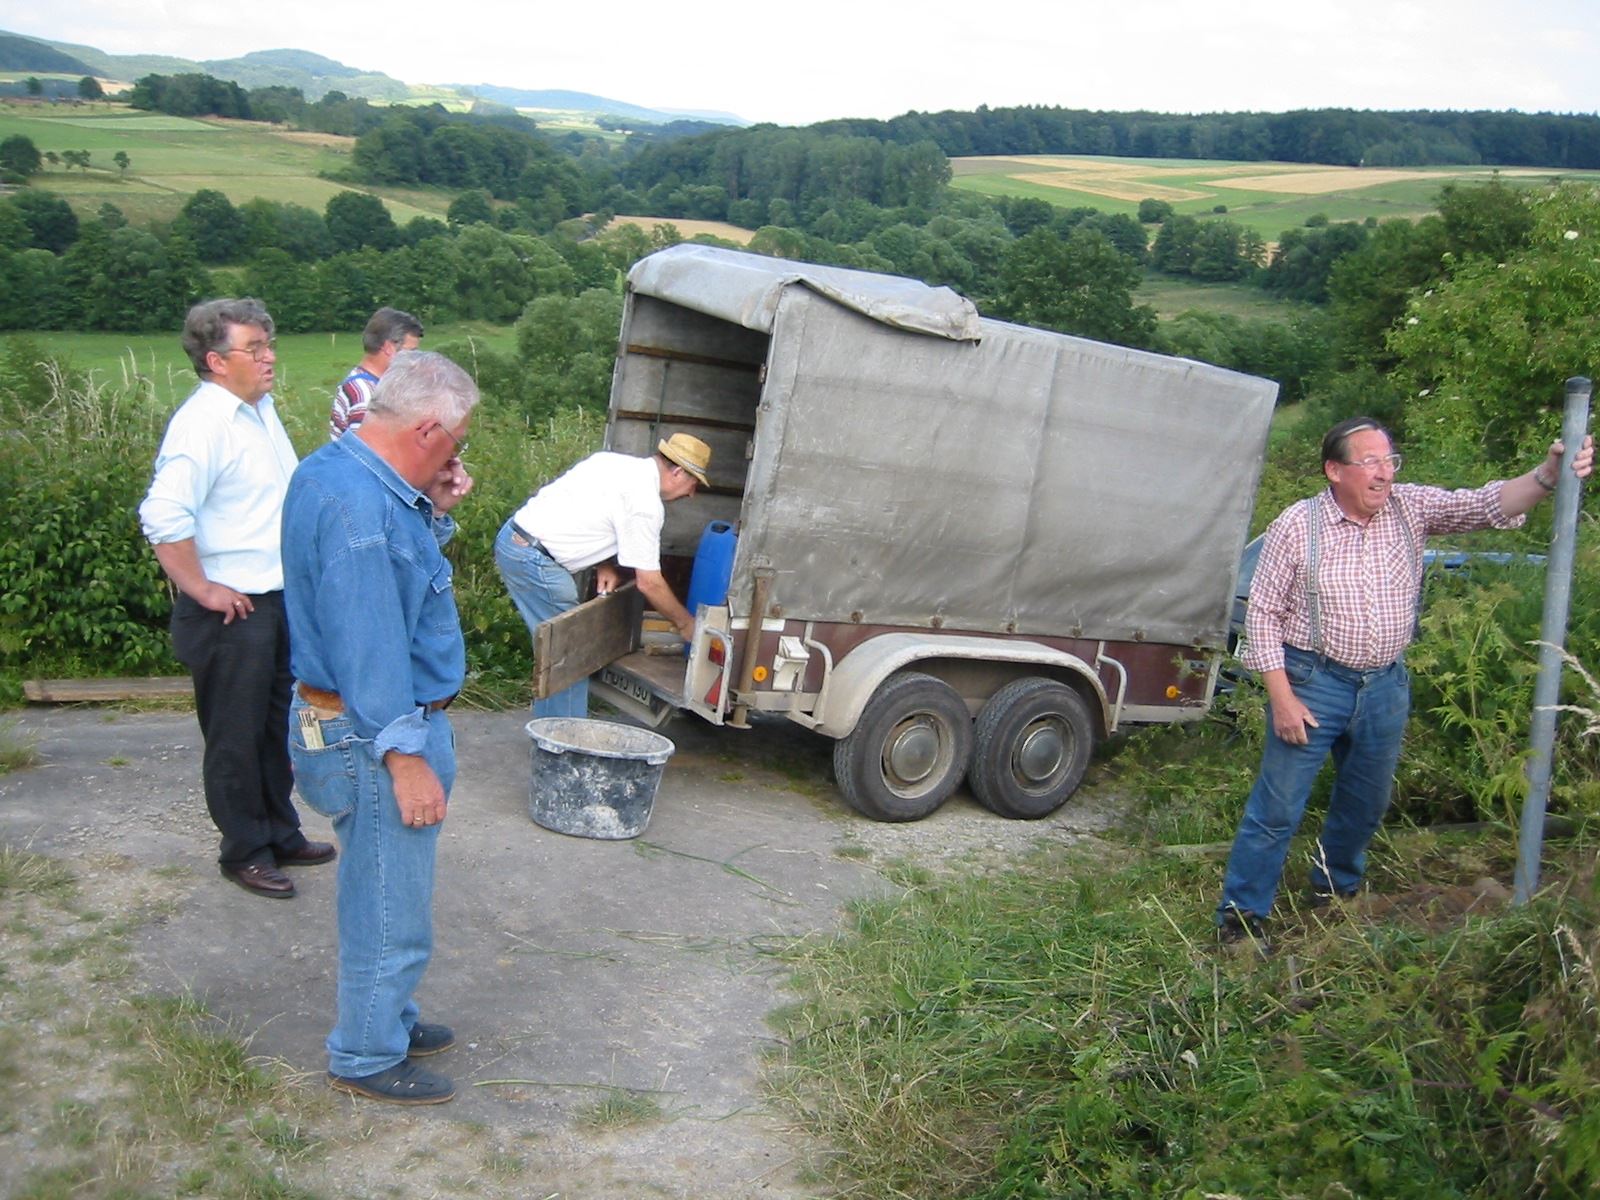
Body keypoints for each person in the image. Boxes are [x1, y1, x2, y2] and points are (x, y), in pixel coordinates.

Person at [1217, 416, 1593, 948]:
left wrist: (1548, 474)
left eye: (1390, 460)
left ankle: (1335, 894)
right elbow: (1262, 616)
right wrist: (1281, 697)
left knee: (1365, 802)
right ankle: (1241, 920)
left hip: (1384, 687)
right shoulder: (1298, 525)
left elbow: (1485, 505)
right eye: (1369, 461)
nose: (1384, 473)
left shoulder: (1409, 507)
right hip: (1311, 681)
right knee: (1277, 808)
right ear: (1334, 471)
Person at [282, 350, 476, 1105]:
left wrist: (435, 509)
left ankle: (385, 1013)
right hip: (371, 731)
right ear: (427, 427)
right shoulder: (362, 514)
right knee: (389, 900)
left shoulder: (336, 474)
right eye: (456, 442)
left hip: (348, 720)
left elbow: (397, 577)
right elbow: (369, 645)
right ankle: (366, 1051)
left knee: (385, 885)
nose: (458, 454)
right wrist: (406, 756)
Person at [139, 298, 334, 900]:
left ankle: (280, 832)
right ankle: (243, 851)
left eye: (268, 344)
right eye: (256, 348)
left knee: (274, 727)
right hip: (231, 610)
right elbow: (163, 513)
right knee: (234, 735)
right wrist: (199, 586)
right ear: (217, 361)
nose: (270, 356)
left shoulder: (258, 411)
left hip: (273, 600)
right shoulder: (204, 425)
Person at [496, 433, 711, 719]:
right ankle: (566, 746)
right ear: (677, 471)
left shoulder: (612, 463)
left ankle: (549, 729)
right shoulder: (645, 505)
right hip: (534, 560)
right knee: (569, 658)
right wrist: (685, 624)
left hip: (515, 537)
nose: (691, 493)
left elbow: (583, 512)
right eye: (693, 483)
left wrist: (603, 563)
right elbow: (649, 582)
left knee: (555, 653)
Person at [329, 306, 424, 439]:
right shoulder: (365, 396)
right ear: (389, 348)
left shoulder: (374, 384)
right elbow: (368, 454)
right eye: (411, 352)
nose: (414, 360)